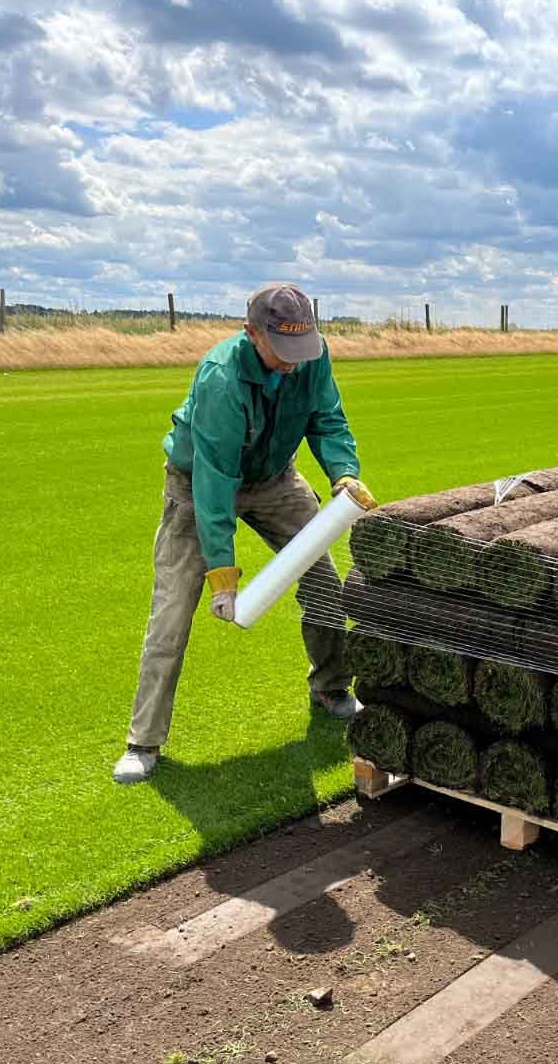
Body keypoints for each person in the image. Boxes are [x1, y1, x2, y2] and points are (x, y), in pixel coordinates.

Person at [113, 282, 376, 785]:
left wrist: (343, 471)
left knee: (323, 583)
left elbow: (328, 419)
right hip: (198, 486)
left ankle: (331, 688)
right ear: (252, 332)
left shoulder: (311, 357)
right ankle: (143, 741)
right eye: (283, 351)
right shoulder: (221, 378)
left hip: (276, 479)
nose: (294, 363)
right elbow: (214, 484)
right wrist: (222, 574)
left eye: (303, 350)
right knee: (172, 614)